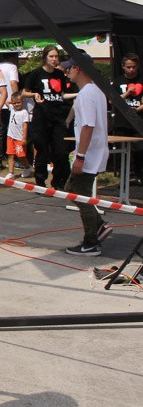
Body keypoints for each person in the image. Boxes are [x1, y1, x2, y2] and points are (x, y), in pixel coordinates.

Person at [62, 52, 112, 256]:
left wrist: (80, 155)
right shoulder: (96, 91)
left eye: (69, 68)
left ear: (78, 68)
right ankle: (98, 226)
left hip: (90, 154)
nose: (66, 73)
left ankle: (91, 241)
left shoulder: (86, 93)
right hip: (93, 150)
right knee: (72, 189)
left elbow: (88, 126)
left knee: (79, 194)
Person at [23, 45, 71, 189]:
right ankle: (40, 181)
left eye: (56, 57)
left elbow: (62, 95)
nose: (54, 59)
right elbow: (24, 93)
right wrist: (34, 94)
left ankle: (58, 181)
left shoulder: (60, 75)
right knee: (42, 150)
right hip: (41, 117)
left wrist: (79, 94)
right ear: (45, 58)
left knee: (61, 151)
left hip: (57, 117)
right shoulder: (36, 74)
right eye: (51, 56)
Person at [111, 52, 143, 183]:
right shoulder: (118, 81)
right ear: (123, 66)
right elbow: (113, 101)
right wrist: (127, 93)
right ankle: (125, 177)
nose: (131, 70)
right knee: (122, 151)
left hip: (138, 121)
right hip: (122, 122)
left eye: (134, 67)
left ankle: (139, 176)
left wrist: (138, 109)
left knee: (139, 150)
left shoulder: (141, 80)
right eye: (128, 67)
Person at [0, 52, 20, 166]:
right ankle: (15, 158)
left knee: (0, 131)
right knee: (14, 131)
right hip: (10, 103)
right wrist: (16, 98)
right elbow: (13, 82)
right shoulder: (12, 67)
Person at [5, 91, 33, 179]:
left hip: (19, 137)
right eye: (15, 103)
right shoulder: (12, 109)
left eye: (18, 102)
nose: (16, 105)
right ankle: (11, 172)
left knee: (21, 155)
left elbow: (25, 126)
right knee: (10, 154)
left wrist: (24, 138)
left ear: (22, 102)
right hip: (10, 136)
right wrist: (12, 101)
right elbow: (7, 102)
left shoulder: (24, 112)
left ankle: (27, 168)